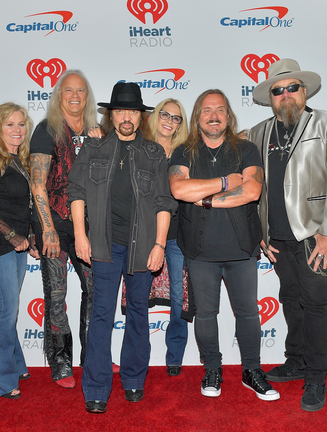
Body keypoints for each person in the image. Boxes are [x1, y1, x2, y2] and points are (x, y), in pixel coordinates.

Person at [248, 58, 327, 411]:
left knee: (314, 306)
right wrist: (261, 232)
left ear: (304, 91)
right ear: (270, 97)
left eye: (292, 88)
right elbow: (256, 187)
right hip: (277, 239)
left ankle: (315, 376)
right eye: (277, 91)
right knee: (290, 301)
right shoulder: (260, 131)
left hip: (314, 236)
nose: (285, 95)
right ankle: (295, 361)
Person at [68, 82, 176, 414]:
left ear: (140, 116)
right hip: (102, 245)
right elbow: (76, 192)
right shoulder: (93, 149)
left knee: (138, 315)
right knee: (100, 315)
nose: (126, 117)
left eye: (131, 111)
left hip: (142, 248)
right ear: (111, 115)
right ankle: (97, 387)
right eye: (120, 111)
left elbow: (163, 203)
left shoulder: (154, 153)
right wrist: (79, 236)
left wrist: (159, 244)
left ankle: (133, 380)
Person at [169, 89, 278, 401]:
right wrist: (227, 182)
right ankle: (212, 369)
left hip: (242, 248)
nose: (213, 115)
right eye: (207, 110)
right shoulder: (183, 153)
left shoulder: (246, 149)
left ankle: (251, 371)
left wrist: (203, 198)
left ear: (228, 116)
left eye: (220, 109)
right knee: (205, 314)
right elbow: (179, 188)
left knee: (248, 314)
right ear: (197, 117)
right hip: (199, 250)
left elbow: (253, 191)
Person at [29, 70, 101, 388]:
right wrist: (46, 229)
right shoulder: (47, 129)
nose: (75, 95)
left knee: (95, 292)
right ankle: (60, 362)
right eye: (68, 90)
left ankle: (93, 356)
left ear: (87, 97)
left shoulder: (96, 131)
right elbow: (37, 182)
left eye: (81, 91)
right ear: (59, 95)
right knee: (57, 295)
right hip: (55, 225)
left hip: (89, 227)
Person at [0, 103, 41, 399]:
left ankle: (16, 364)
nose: (17, 130)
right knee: (8, 308)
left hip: (17, 243)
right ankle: (1, 381)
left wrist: (30, 237)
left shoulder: (20, 159)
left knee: (10, 305)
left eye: (21, 124)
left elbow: (22, 207)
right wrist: (13, 236)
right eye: (10, 125)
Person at [143, 98, 190, 376]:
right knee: (138, 299)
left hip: (176, 235)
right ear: (155, 116)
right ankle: (139, 354)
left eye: (176, 118)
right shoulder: (140, 146)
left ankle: (175, 355)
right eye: (165, 114)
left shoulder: (185, 153)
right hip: (143, 232)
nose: (169, 121)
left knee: (177, 297)